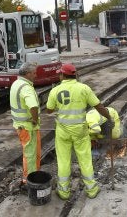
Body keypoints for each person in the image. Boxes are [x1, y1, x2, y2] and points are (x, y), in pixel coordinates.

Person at [46, 63, 112, 200]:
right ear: (74, 75)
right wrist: (109, 117)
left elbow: (49, 110)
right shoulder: (84, 88)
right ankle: (91, 189)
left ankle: (64, 191)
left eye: (60, 73)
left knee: (63, 161)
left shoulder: (55, 90)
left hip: (63, 131)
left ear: (63, 75)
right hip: (80, 131)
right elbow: (99, 106)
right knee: (85, 159)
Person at [9, 62, 41, 184]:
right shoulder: (26, 87)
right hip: (28, 127)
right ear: (27, 74)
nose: (36, 75)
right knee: (30, 155)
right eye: (34, 73)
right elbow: (33, 106)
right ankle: (29, 180)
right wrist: (35, 119)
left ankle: (32, 175)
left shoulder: (16, 83)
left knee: (31, 153)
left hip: (21, 125)